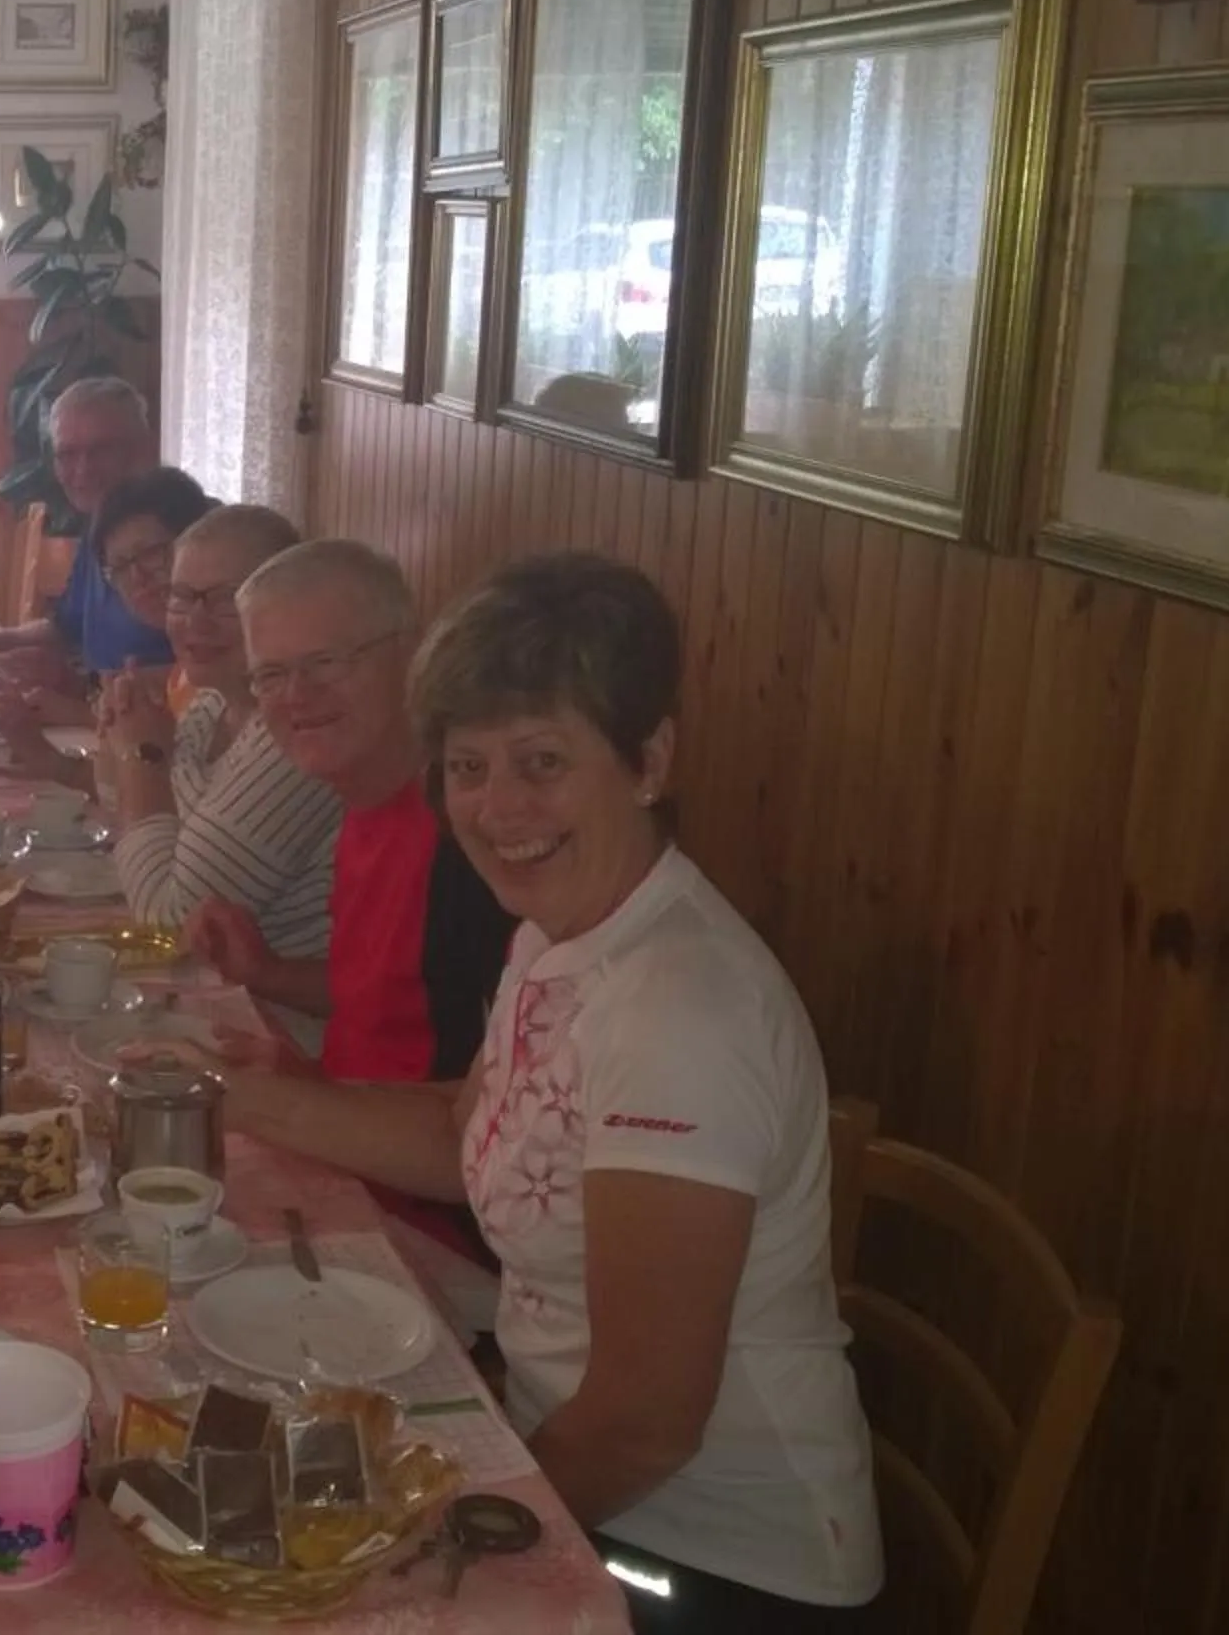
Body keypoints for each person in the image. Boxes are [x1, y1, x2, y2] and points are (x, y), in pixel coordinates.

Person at [216, 553, 881, 1629]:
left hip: (701, 1564)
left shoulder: (680, 1016)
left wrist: (446, 1535)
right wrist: (219, 1091)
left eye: (541, 761)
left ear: (648, 757)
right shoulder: (561, 931)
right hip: (581, 1472)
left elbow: (646, 1420)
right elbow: (462, 1133)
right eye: (468, 767)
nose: (496, 806)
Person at [182, 539, 511, 1250]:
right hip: (343, 1162)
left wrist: (273, 1101)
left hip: (432, 1232)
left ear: (412, 653)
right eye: (271, 674)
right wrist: (268, 975)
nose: (296, 697)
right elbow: (405, 991)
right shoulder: (363, 799)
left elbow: (495, 1127)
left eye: (326, 663)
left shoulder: (476, 845)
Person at [100, 506, 344, 965]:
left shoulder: (296, 736)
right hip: (214, 991)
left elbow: (171, 928)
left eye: (227, 599)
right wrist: (121, 729)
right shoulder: (214, 703)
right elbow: (123, 814)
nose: (197, 621)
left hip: (278, 1020)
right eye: (182, 596)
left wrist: (141, 754)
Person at [0, 467, 216, 782]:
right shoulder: (182, 667)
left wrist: (53, 748)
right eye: (119, 566)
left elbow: (166, 790)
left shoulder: (217, 660)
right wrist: (73, 686)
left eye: (151, 555)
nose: (138, 579)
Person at [0, 379, 174, 673]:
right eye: (67, 454)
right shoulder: (99, 526)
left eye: (101, 450)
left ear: (145, 448)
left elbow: (203, 678)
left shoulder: (185, 535)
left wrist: (80, 696)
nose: (82, 469)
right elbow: (65, 629)